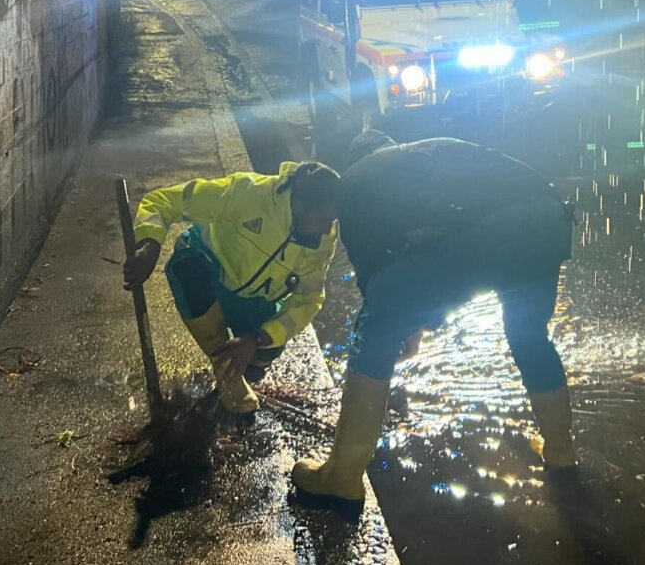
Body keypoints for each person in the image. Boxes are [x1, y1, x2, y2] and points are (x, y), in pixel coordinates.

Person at [292, 131, 577, 505]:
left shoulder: (355, 184)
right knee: (529, 339)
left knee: (373, 327)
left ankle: (341, 477)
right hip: (547, 219)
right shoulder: (427, 151)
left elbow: (378, 288)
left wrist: (403, 328)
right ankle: (561, 454)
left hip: (490, 230)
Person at [123, 162, 342, 415]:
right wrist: (149, 245)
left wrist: (258, 337)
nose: (328, 229)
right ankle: (227, 373)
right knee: (188, 270)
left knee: (264, 354)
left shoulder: (324, 237)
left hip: (252, 298)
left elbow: (309, 299)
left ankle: (241, 364)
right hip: (210, 269)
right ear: (301, 206)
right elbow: (163, 200)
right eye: (324, 219)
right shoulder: (247, 193)